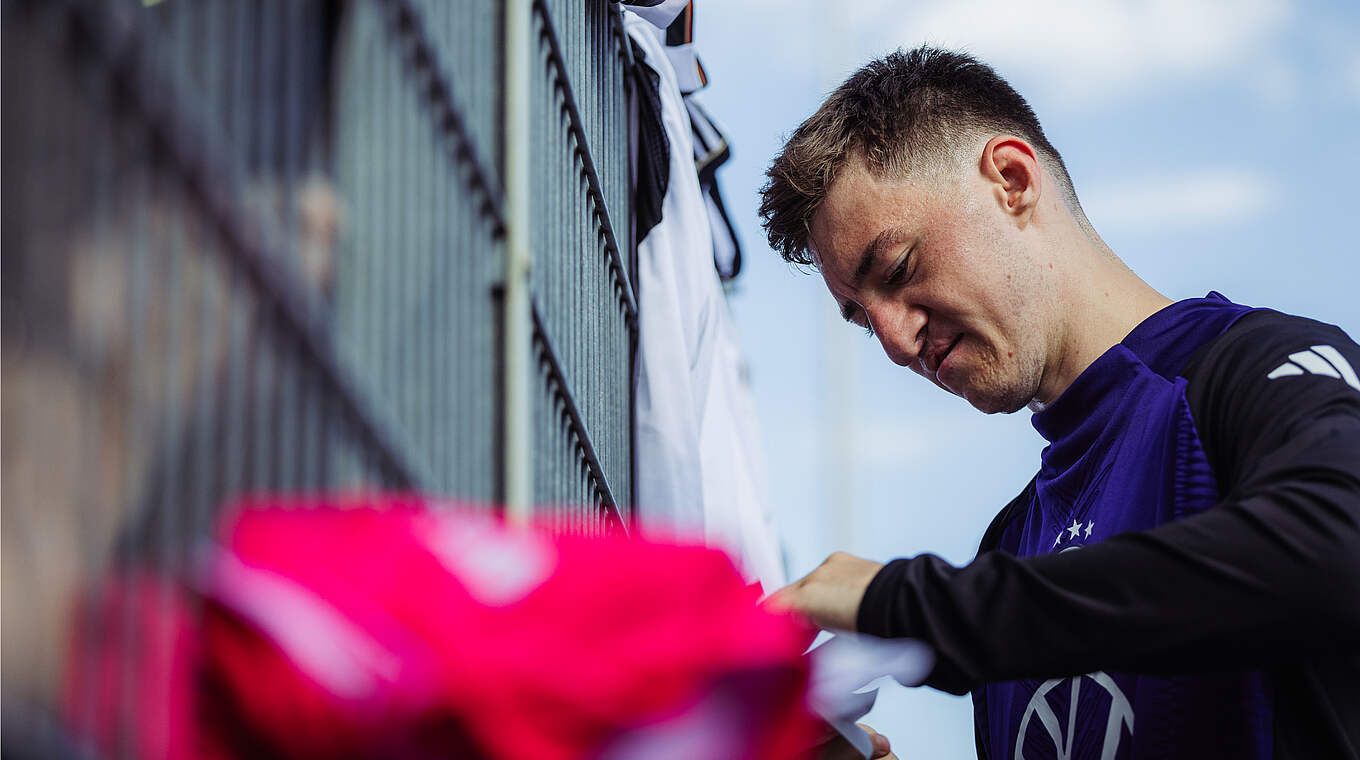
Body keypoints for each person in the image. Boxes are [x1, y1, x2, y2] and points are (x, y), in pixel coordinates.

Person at [759, 46, 1360, 759]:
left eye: (898, 268)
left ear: (1012, 180)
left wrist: (905, 605)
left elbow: (1337, 551)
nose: (894, 339)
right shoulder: (1012, 540)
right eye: (862, 318)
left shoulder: (1253, 369)